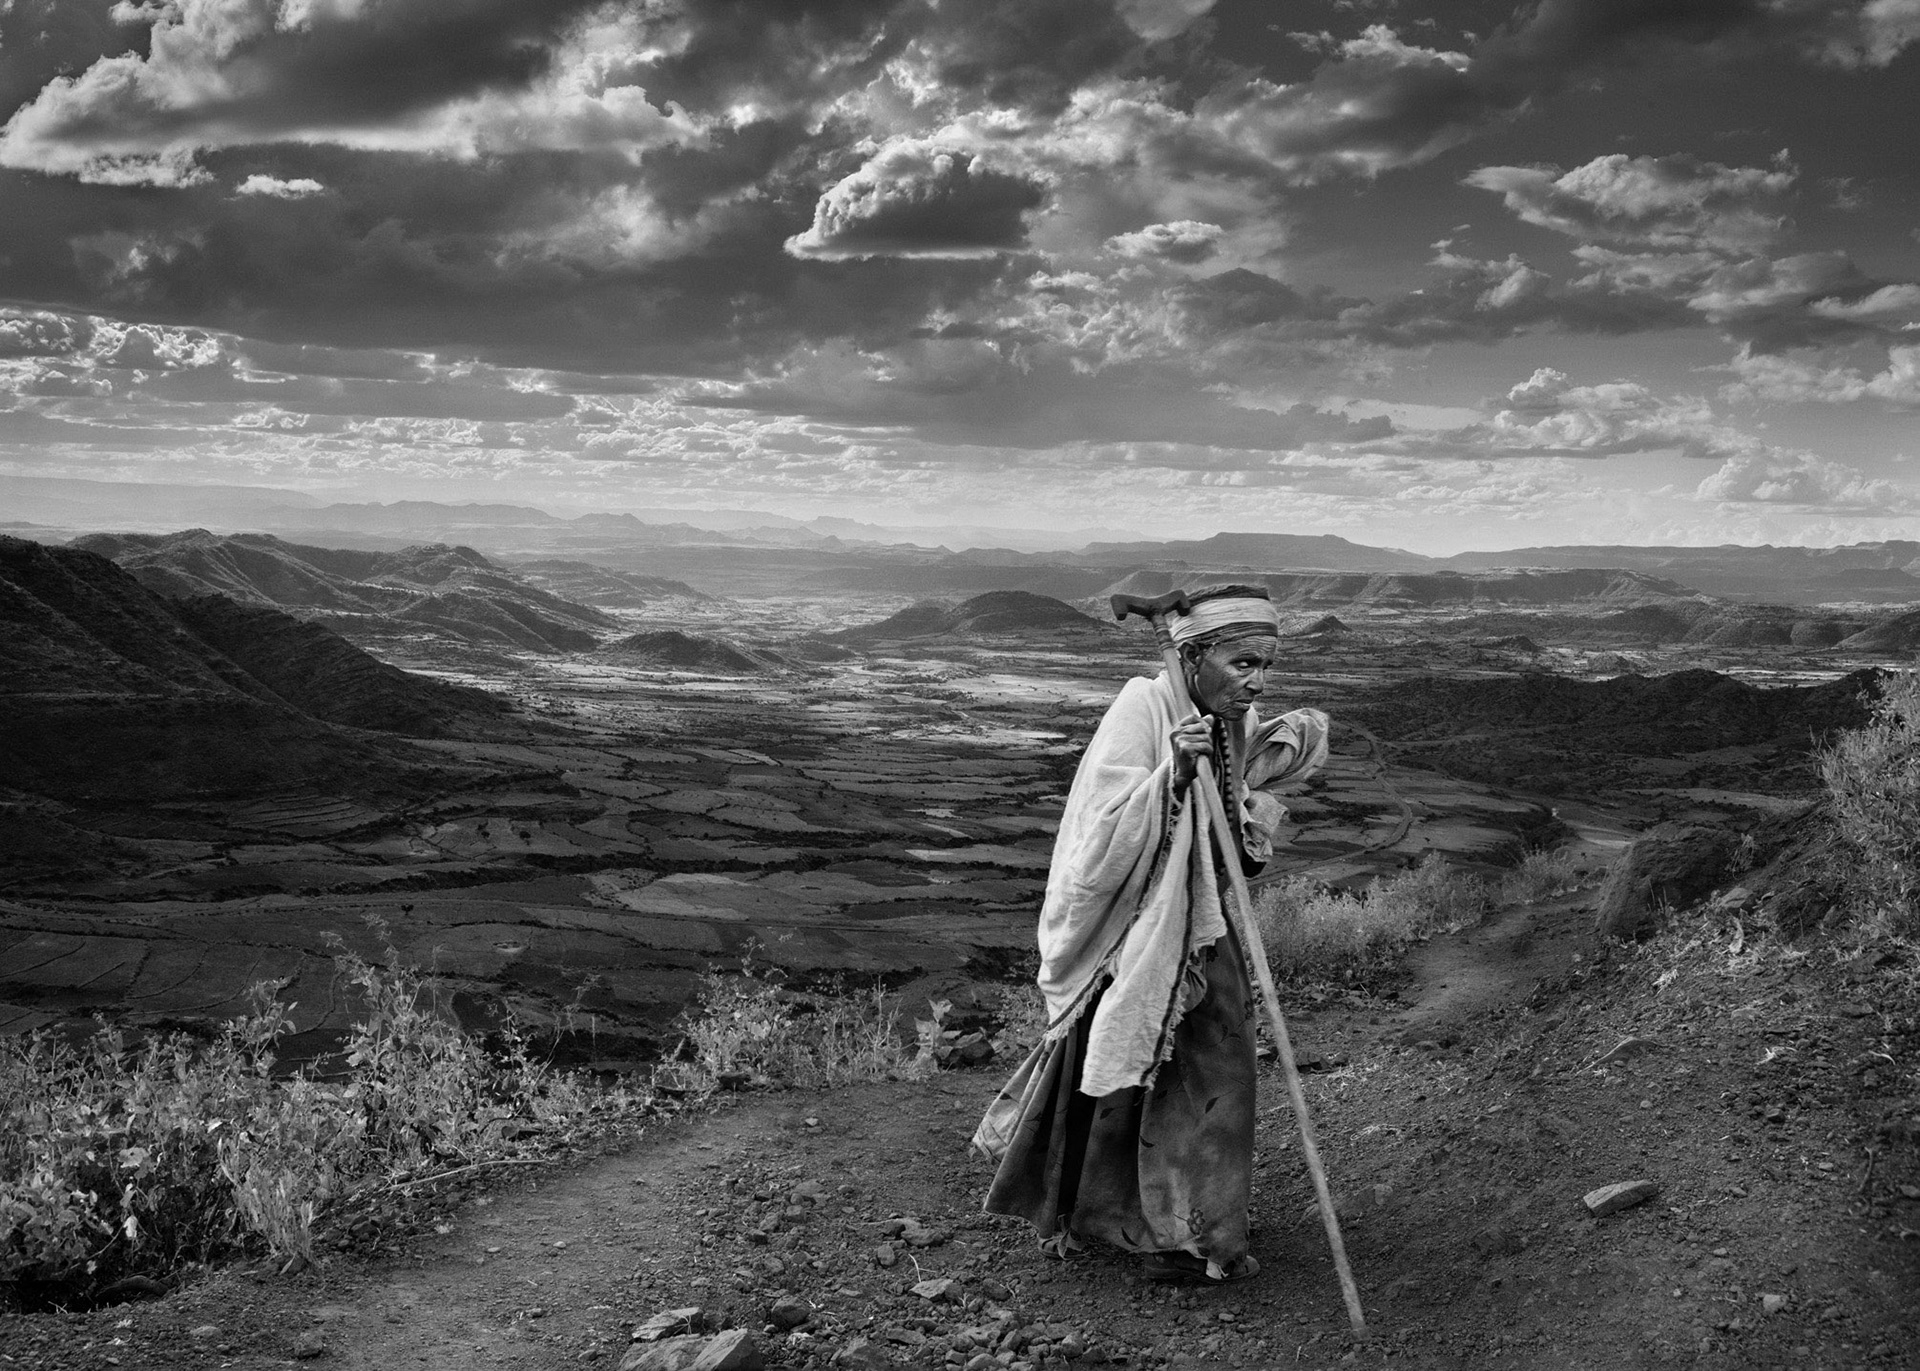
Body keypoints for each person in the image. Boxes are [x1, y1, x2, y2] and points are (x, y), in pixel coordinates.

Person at [973, 584, 1329, 1284]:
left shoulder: (1233, 720)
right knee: (1120, 1066)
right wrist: (1172, 773)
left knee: (1217, 1070)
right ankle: (1102, 1214)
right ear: (1192, 657)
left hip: (1199, 923)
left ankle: (1197, 1228)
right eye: (1243, 663)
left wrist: (1241, 793)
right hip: (1134, 927)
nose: (1257, 681)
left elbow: (1231, 816)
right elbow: (1099, 832)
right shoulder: (1142, 706)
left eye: (1265, 665)